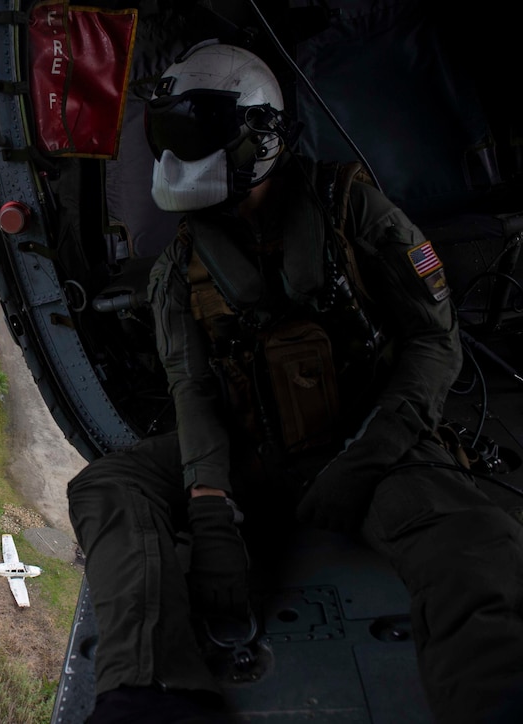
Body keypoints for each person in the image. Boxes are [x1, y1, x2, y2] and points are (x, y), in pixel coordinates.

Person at [67, 40, 523, 724]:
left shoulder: (354, 212)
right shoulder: (178, 270)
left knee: (477, 545)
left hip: (369, 443)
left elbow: (434, 341)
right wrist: (212, 508)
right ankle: (150, 694)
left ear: (262, 139)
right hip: (253, 450)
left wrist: (371, 454)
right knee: (108, 484)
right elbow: (192, 391)